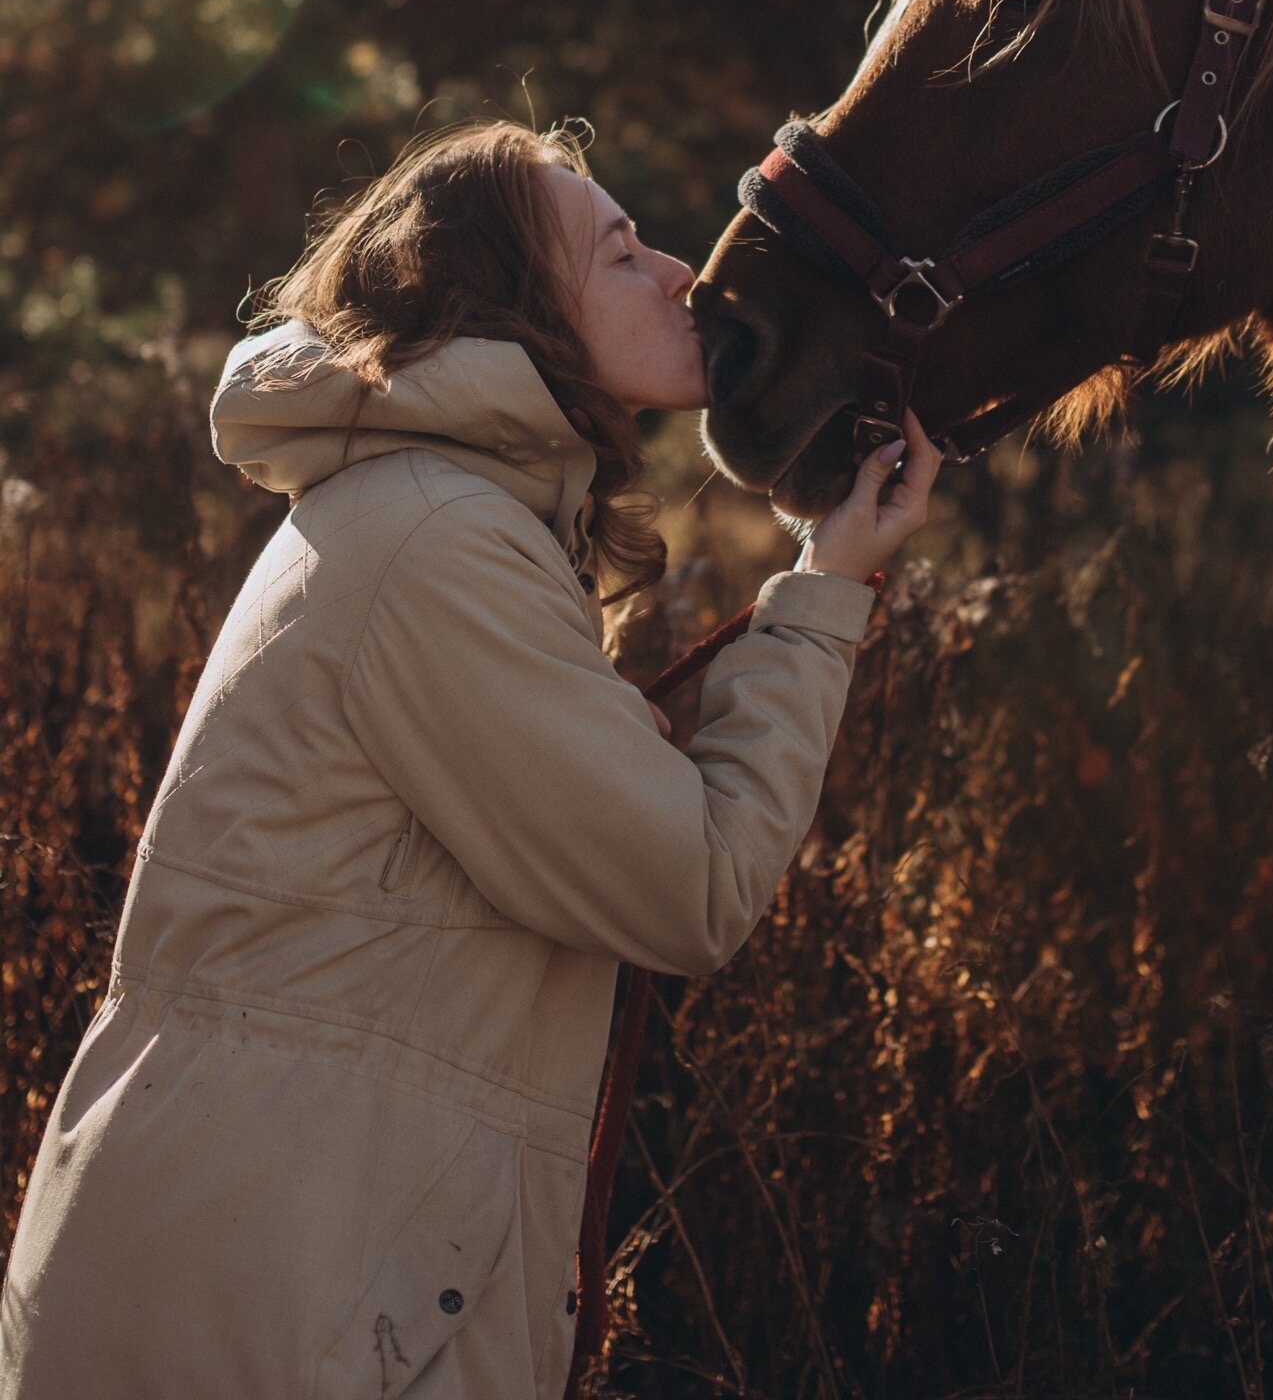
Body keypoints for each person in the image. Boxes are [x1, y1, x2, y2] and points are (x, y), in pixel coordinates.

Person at [0, 120, 939, 1400]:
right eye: (620, 254)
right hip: (289, 1296)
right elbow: (693, 886)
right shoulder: (438, 541)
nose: (680, 273)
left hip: (289, 1255)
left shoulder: (430, 514)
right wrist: (825, 592)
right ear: (510, 314)